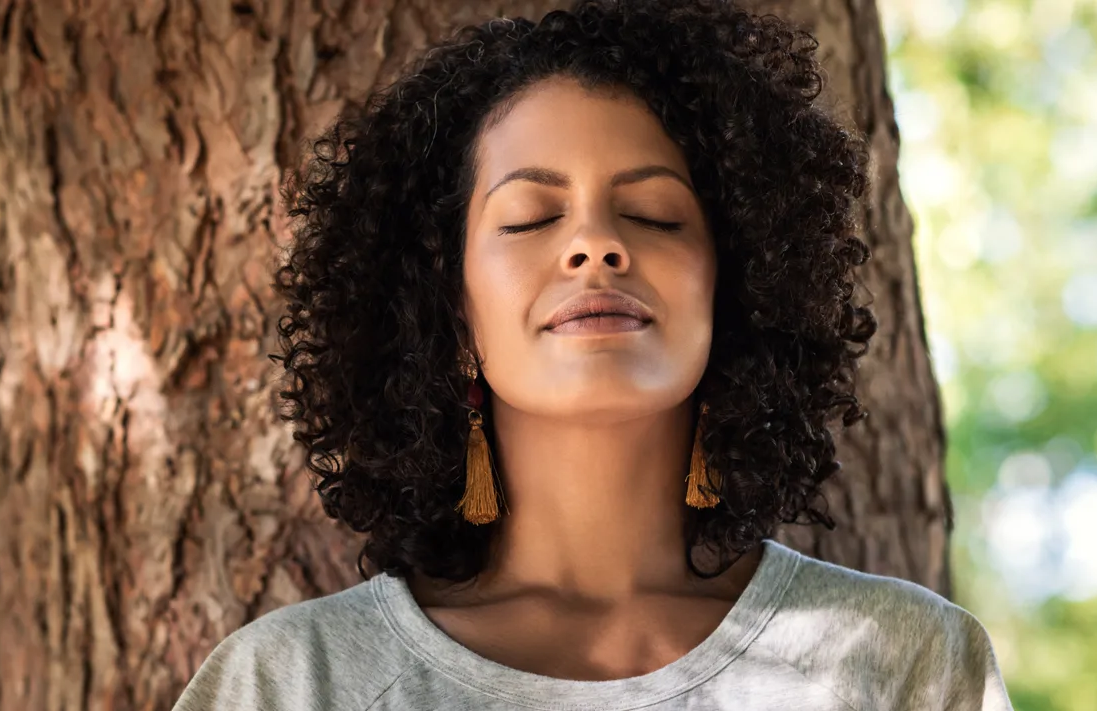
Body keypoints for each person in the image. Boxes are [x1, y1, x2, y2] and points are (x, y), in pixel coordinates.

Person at [173, 0, 1012, 708]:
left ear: (738, 289)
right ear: (450, 313)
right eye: (532, 217)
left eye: (654, 213)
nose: (596, 245)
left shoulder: (906, 664)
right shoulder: (290, 683)